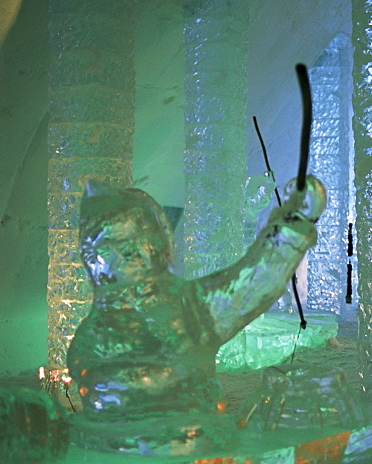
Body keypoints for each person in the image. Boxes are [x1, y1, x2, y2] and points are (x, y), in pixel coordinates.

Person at [68, 175, 326, 418]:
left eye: (140, 239)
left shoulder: (188, 305)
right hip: (114, 442)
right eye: (112, 245)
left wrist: (292, 226)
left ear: (159, 242)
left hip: (194, 434)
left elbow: (251, 284)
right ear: (93, 256)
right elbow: (92, 375)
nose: (130, 253)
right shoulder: (95, 333)